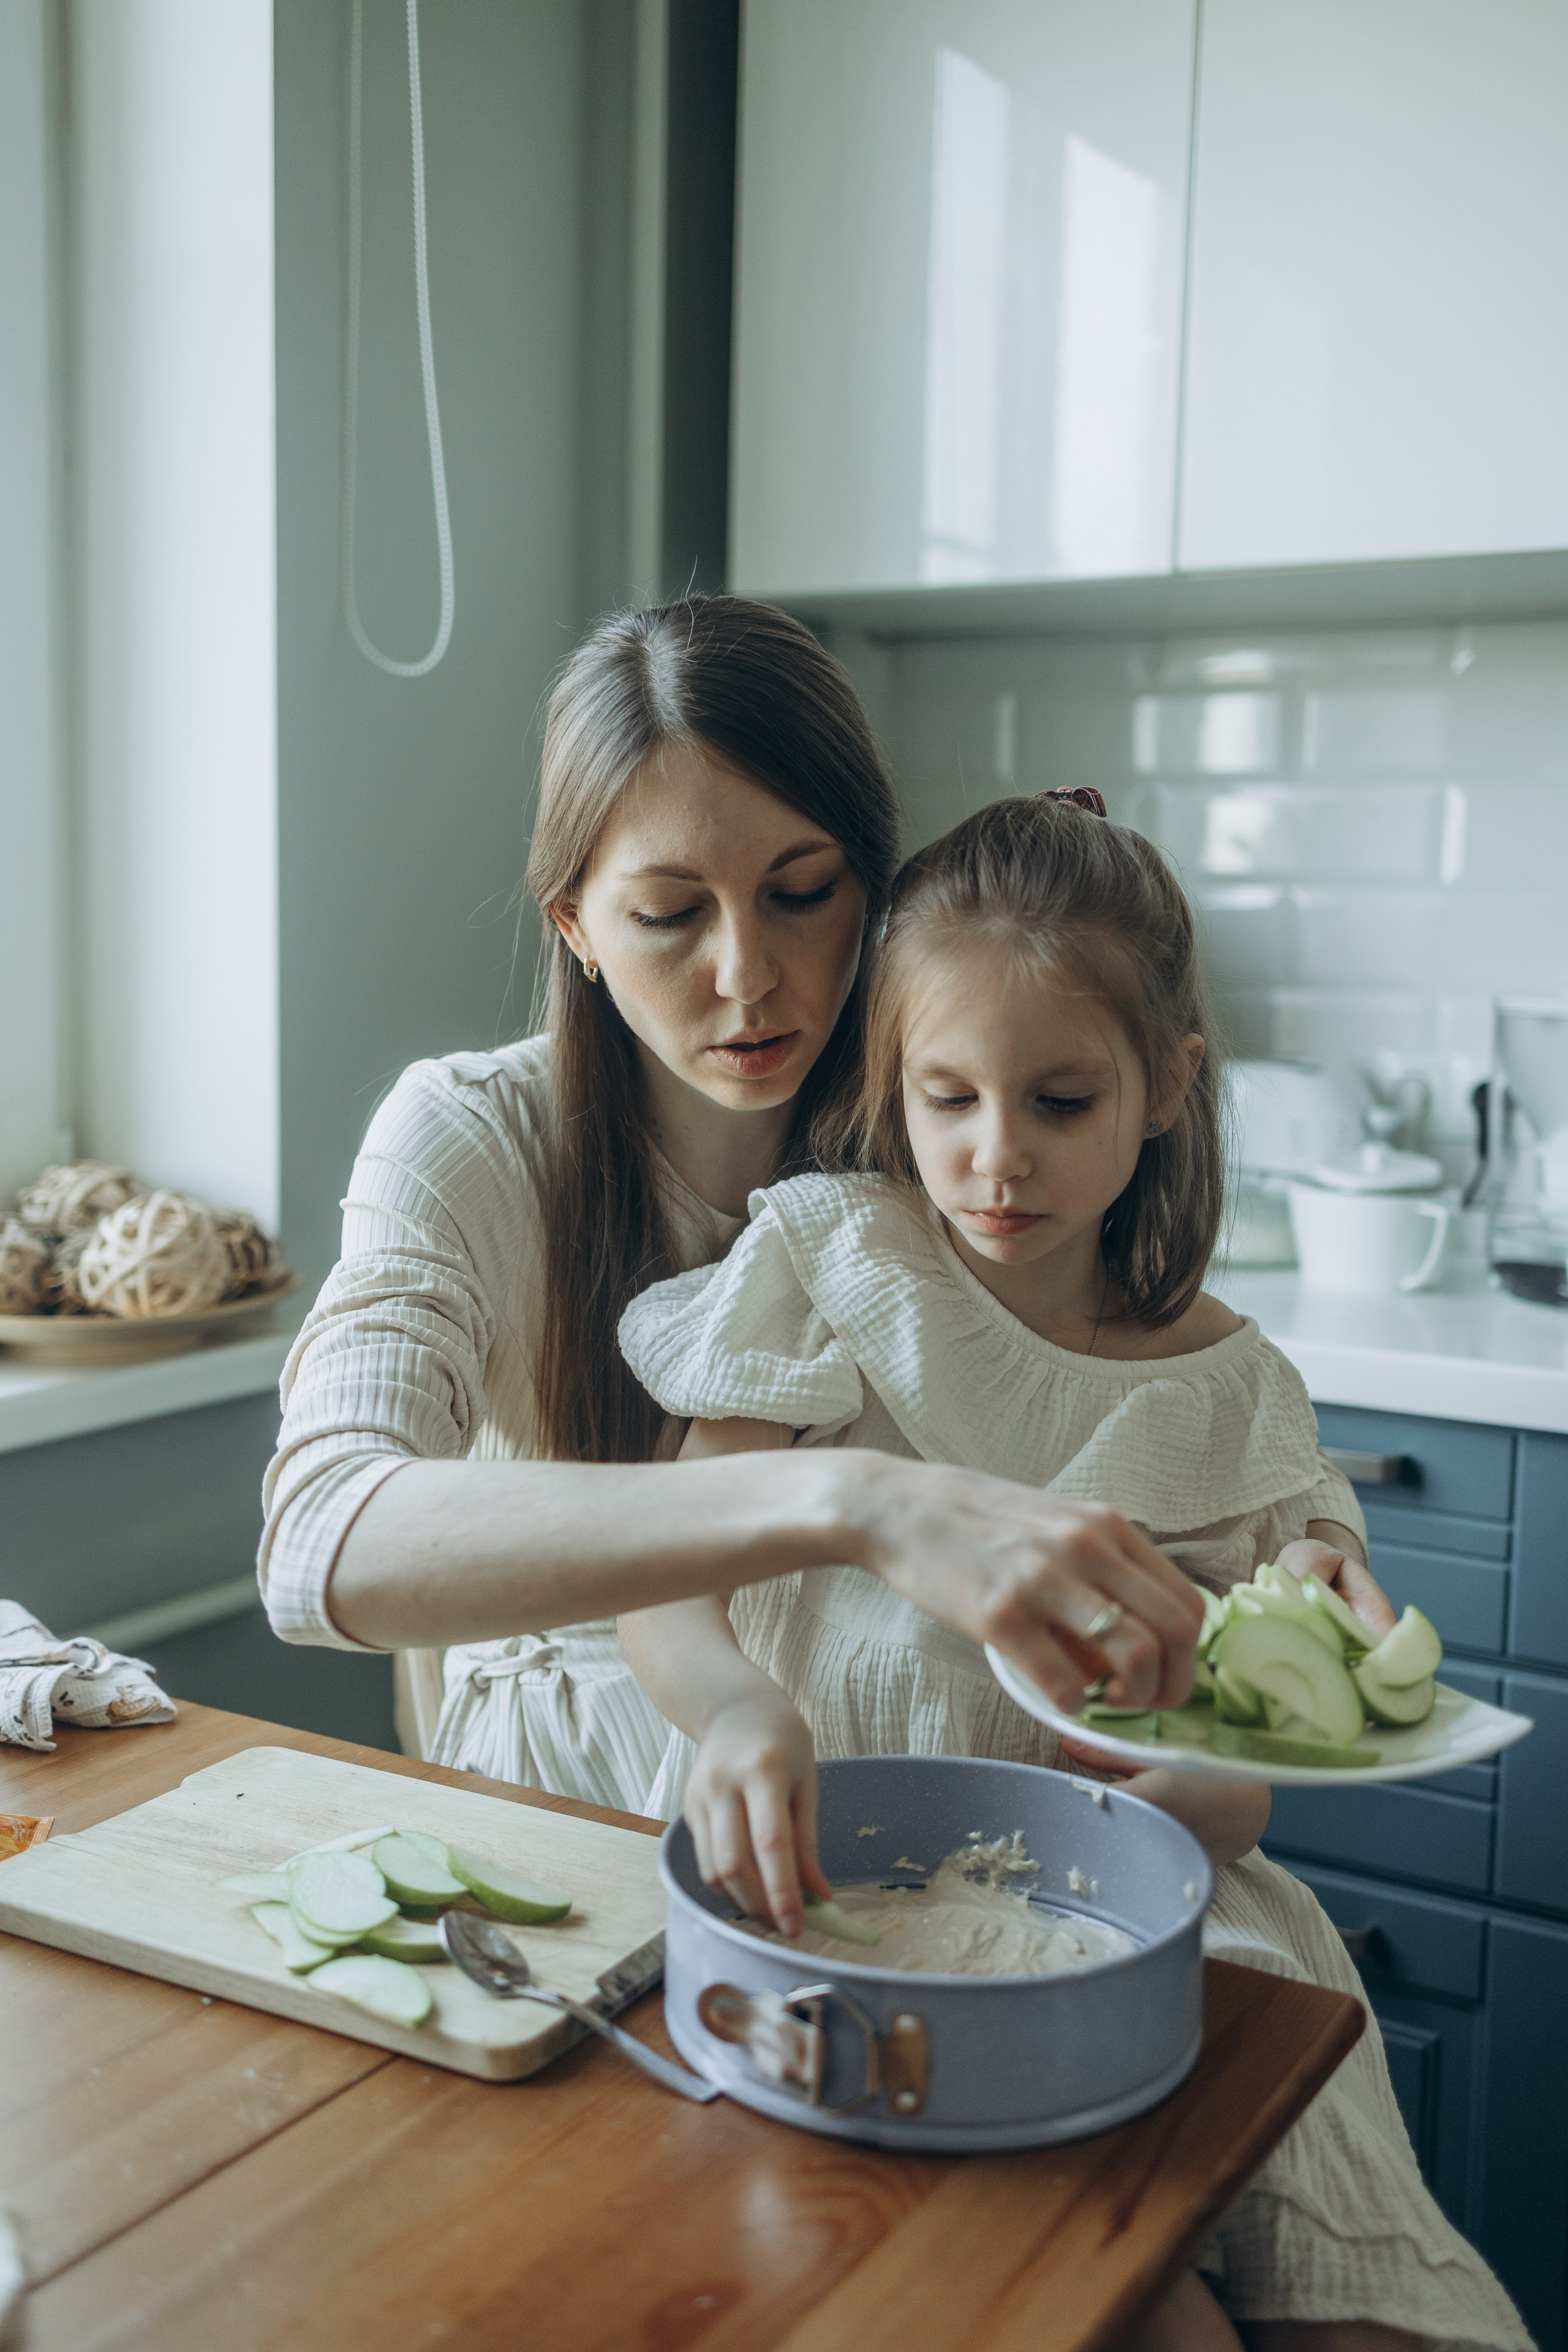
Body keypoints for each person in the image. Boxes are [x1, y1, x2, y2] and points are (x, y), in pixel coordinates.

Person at [616, 791, 1529, 2352]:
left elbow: (1234, 1814)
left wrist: (1161, 1783)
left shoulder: (1235, 1399)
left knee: (1351, 2322)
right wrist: (734, 1717)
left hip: (1155, 1944)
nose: (992, 1158)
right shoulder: (833, 1265)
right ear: (887, 1081)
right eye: (946, 1096)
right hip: (830, 1912)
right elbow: (659, 1581)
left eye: (1057, 1101)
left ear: (1165, 1086)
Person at [258, 600, 1206, 1800]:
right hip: (560, 1801)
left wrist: (1309, 1541)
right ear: (577, 927)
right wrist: (851, 1502)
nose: (745, 974)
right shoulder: (467, 1138)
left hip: (876, 1803)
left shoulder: (950, 1120)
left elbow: (1137, 1378)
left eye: (802, 892)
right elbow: (317, 1546)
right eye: (667, 915)